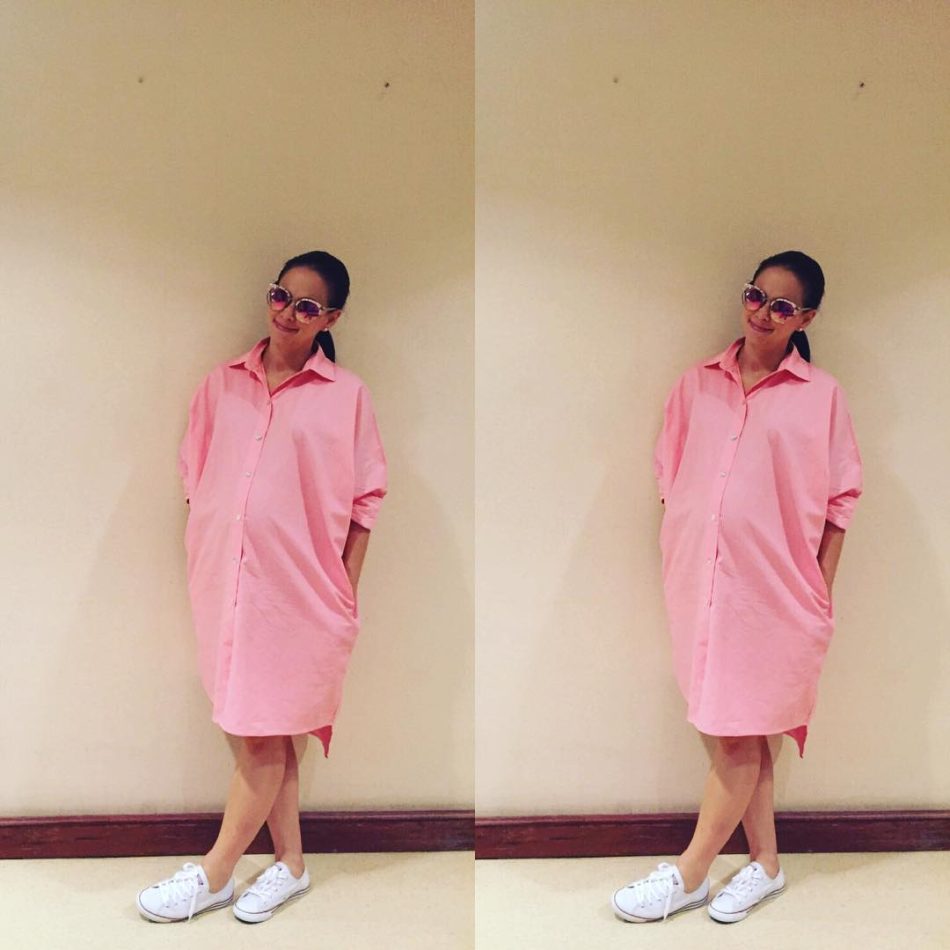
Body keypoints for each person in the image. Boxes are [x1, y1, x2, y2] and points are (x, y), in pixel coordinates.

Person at [136, 250, 387, 924]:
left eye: (307, 306)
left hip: (302, 595)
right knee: (265, 732)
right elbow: (195, 478)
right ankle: (292, 864)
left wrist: (344, 593)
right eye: (281, 296)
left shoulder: (347, 397)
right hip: (225, 586)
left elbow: (365, 504)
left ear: (331, 318)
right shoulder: (219, 386)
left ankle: (216, 872)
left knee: (262, 734)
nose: (288, 314)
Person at [612, 251, 862, 924]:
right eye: (756, 296)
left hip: (778, 595)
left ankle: (691, 872)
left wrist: (819, 591)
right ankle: (767, 864)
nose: (763, 314)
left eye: (782, 306)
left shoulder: (822, 396)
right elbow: (670, 476)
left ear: (806, 318)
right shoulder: (695, 385)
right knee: (742, 732)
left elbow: (840, 502)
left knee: (737, 734)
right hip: (699, 586)